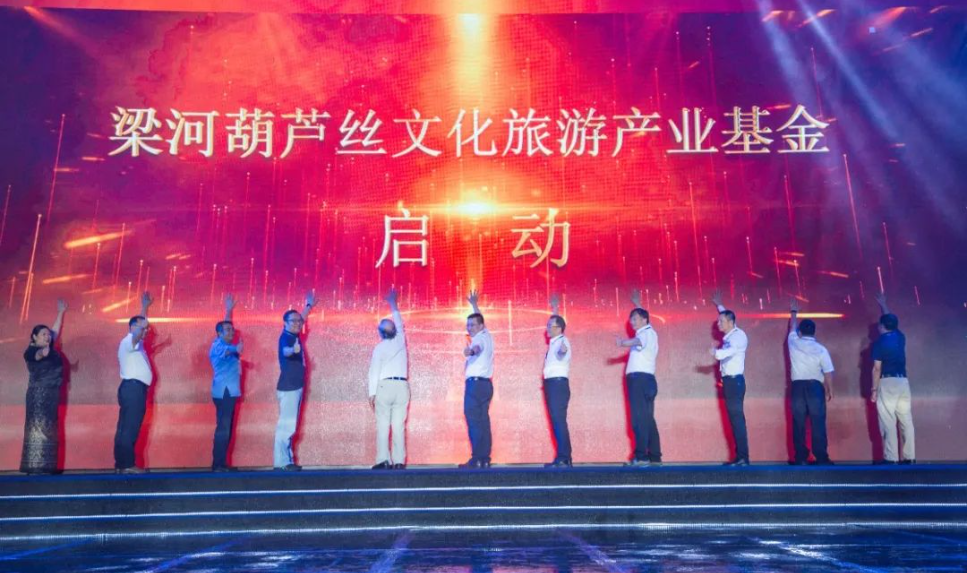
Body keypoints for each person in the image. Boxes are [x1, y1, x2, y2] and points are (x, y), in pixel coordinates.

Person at [20, 299, 68, 475]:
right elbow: (39, 355)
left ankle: (47, 466)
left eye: (48, 335)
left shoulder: (49, 344)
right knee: (38, 429)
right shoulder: (31, 351)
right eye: (43, 334)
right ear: (34, 337)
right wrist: (44, 351)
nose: (47, 337)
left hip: (51, 395)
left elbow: (55, 330)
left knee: (49, 428)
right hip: (38, 396)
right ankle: (35, 466)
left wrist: (61, 312)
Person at [615, 289, 662, 467]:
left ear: (644, 320)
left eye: (635, 318)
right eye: (631, 319)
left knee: (638, 419)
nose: (632, 322)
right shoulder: (650, 331)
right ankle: (655, 457)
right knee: (648, 419)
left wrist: (622, 343)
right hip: (647, 380)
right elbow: (644, 320)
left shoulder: (645, 333)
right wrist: (638, 304)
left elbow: (638, 341)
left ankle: (641, 457)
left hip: (639, 381)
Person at [787, 299, 834, 465]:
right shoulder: (821, 349)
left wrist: (794, 312)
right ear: (814, 332)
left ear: (800, 332)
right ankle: (821, 457)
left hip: (797, 388)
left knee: (798, 422)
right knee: (818, 421)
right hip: (815, 387)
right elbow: (828, 372)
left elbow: (791, 327)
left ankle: (801, 457)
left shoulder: (793, 342)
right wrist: (829, 390)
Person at [871, 292, 915, 464]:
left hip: (887, 382)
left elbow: (876, 368)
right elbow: (891, 322)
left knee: (888, 420)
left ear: (882, 326)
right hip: (903, 381)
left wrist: (874, 390)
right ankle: (909, 457)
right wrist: (883, 305)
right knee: (906, 420)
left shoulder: (879, 343)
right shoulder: (900, 337)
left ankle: (891, 458)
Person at [367, 288, 409, 470]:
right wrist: (393, 304)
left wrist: (372, 393)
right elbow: (399, 322)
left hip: (384, 387)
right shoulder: (401, 341)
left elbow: (374, 372)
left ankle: (384, 460)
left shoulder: (379, 348)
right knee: (398, 426)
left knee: (383, 425)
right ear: (393, 331)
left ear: (381, 333)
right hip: (402, 386)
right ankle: (399, 461)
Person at [274, 292, 316, 471]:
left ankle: (286, 461)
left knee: (289, 424)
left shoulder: (293, 334)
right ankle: (282, 462)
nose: (298, 323)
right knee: (286, 424)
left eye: (299, 321)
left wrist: (308, 306)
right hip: (289, 386)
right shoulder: (287, 337)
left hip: (294, 386)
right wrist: (293, 350)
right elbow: (286, 351)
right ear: (285, 323)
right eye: (294, 321)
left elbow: (300, 319)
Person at [114, 292, 154, 474]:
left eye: (146, 328)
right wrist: (143, 311)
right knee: (129, 427)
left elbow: (139, 330)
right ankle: (127, 465)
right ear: (131, 328)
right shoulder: (128, 341)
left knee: (126, 427)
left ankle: (122, 464)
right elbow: (136, 333)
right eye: (142, 328)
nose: (146, 331)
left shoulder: (136, 344)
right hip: (133, 389)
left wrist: (144, 308)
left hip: (133, 389)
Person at [710, 290, 750, 466]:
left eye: (721, 321)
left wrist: (716, 353)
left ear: (731, 323)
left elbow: (731, 351)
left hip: (734, 382)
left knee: (737, 420)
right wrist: (719, 305)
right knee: (734, 420)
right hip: (730, 382)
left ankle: (743, 457)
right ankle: (740, 457)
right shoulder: (732, 333)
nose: (718, 323)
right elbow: (727, 316)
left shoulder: (738, 336)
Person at [460, 289, 495, 469]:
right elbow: (480, 319)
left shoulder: (478, 340)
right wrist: (474, 304)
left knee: (474, 421)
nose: (469, 328)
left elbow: (477, 348)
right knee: (483, 421)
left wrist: (471, 351)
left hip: (475, 386)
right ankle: (484, 458)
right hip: (486, 385)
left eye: (472, 325)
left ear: (480, 326)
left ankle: (477, 458)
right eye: (468, 325)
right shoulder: (486, 334)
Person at [209, 294, 243, 472]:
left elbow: (226, 325)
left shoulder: (224, 342)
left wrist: (229, 310)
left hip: (230, 391)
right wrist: (237, 348)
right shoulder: (218, 345)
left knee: (227, 427)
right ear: (219, 333)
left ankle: (222, 463)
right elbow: (228, 351)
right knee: (223, 428)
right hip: (224, 392)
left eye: (232, 330)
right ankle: (218, 464)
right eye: (227, 331)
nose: (231, 332)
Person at [543, 293, 573, 468]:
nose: (547, 328)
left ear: (559, 329)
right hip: (552, 385)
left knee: (559, 420)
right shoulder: (555, 340)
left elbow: (562, 353)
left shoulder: (563, 342)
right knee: (556, 420)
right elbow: (558, 322)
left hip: (558, 385)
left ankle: (564, 457)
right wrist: (555, 308)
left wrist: (562, 351)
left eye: (550, 326)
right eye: (547, 325)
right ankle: (563, 457)